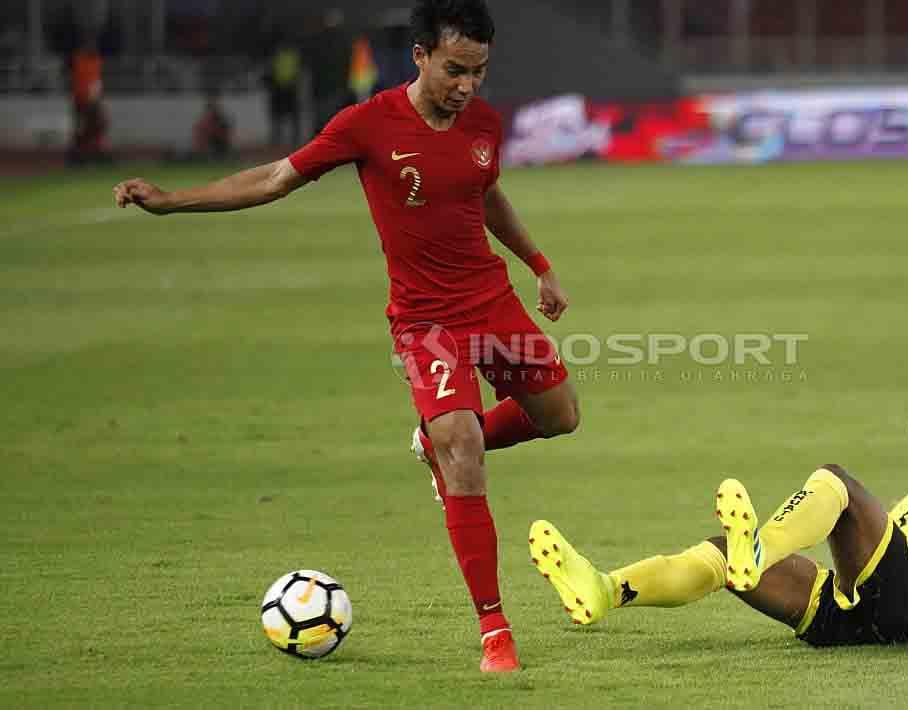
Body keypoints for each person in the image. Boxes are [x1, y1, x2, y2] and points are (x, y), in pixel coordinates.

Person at [112, 0, 579, 673]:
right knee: (467, 449)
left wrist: (539, 266)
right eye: (455, 69)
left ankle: (432, 441)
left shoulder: (483, 122)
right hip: (425, 321)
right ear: (418, 55)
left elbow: (486, 193)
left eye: (478, 71)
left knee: (560, 417)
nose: (467, 85)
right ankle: (495, 632)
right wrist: (173, 201)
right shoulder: (367, 124)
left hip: (491, 300)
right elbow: (275, 178)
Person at [531, 382, 908, 645]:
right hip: (857, 613)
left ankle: (755, 550)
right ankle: (607, 589)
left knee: (836, 482)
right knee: (719, 554)